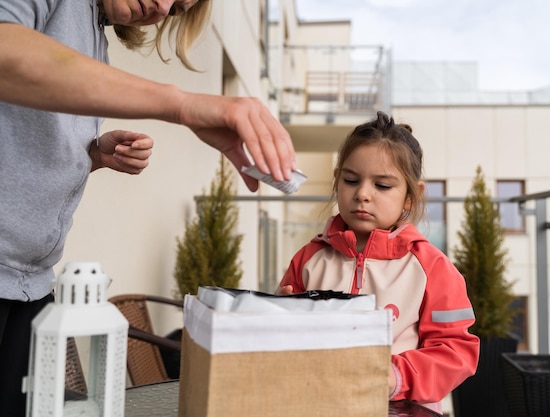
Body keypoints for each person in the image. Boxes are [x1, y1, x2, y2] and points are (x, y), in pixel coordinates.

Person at [0, 0, 296, 415]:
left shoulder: (95, 38)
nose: (160, 7)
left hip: (30, 285)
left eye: (175, 10)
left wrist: (90, 154)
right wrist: (181, 104)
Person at [278, 111, 479, 413]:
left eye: (382, 186)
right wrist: (277, 318)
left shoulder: (433, 268)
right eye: (350, 180)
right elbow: (283, 344)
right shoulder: (308, 258)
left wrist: (394, 376)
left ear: (411, 196)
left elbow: (456, 351)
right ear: (337, 181)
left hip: (405, 409)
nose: (362, 194)